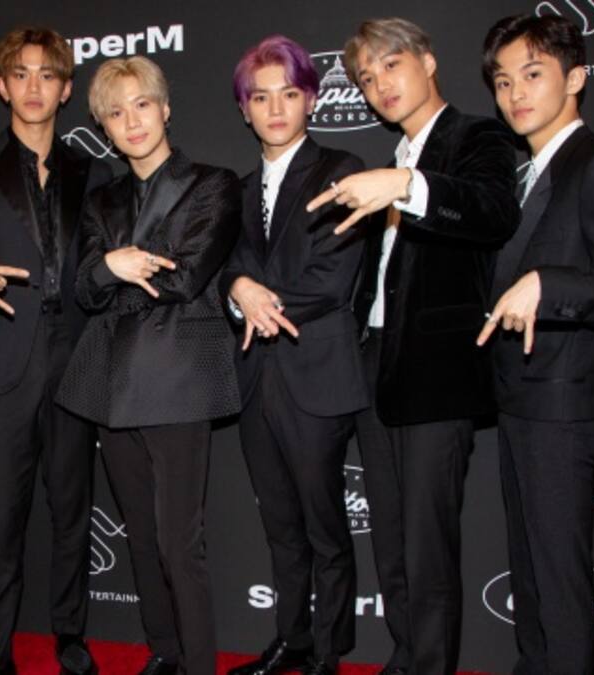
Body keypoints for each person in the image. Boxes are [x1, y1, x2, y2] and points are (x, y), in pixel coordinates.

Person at [306, 17, 520, 675]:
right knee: (393, 539)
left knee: (427, 546)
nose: (379, 85)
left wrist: (404, 186)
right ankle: (406, 658)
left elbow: (492, 211)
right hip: (377, 363)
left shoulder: (476, 137)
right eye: (367, 78)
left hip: (437, 371)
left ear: (427, 61)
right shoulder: (395, 156)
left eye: (391, 66)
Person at [0, 26, 112, 675]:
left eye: (47, 75)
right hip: (4, 358)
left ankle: (70, 634)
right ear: (3, 86)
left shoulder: (94, 171)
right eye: (21, 74)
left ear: (65, 89)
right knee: (1, 516)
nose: (34, 87)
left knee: (72, 510)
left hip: (76, 358)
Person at [479, 14, 594, 675]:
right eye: (503, 81)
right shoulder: (524, 174)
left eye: (533, 74)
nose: (515, 93)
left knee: (557, 581)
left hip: (565, 407)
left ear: (575, 78)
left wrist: (547, 285)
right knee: (530, 575)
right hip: (520, 400)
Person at [55, 55, 240, 675]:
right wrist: (111, 267)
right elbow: (84, 287)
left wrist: (117, 268)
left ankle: (199, 666)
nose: (131, 121)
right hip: (112, 384)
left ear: (165, 108)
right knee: (138, 532)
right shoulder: (101, 200)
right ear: (104, 126)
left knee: (178, 543)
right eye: (116, 112)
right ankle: (164, 651)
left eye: (141, 105)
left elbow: (185, 277)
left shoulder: (212, 184)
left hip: (178, 377)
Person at [221, 35, 368, 675]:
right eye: (261, 97)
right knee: (280, 526)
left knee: (325, 528)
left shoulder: (342, 169)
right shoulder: (237, 189)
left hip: (316, 375)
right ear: (244, 109)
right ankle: (293, 639)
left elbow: (333, 279)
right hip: (256, 379)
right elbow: (226, 266)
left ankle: (329, 654)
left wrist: (258, 299)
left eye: (288, 94)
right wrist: (236, 287)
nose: (275, 108)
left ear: (311, 99)